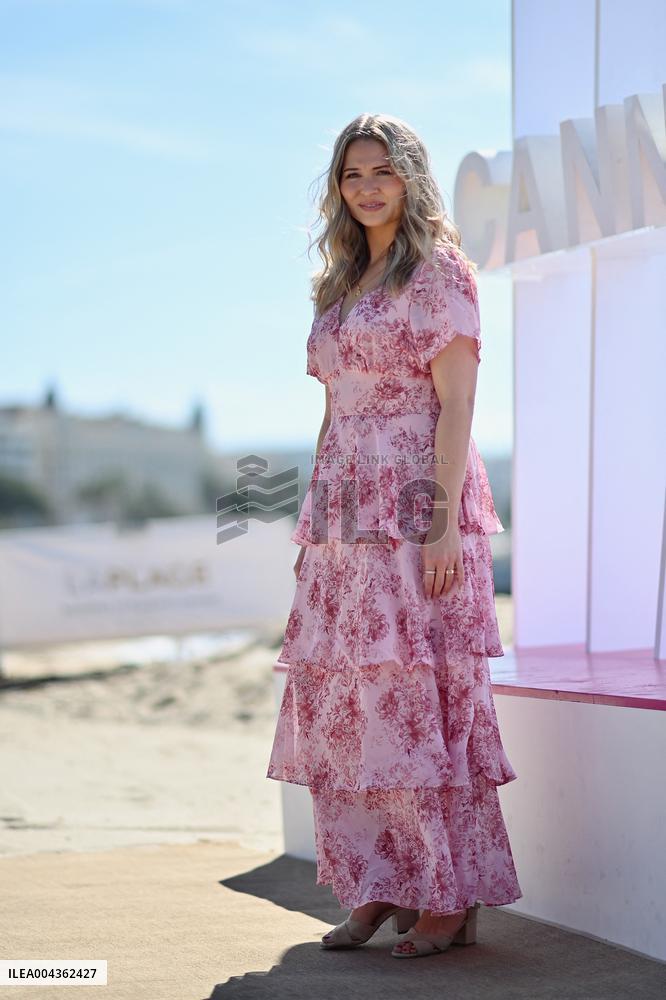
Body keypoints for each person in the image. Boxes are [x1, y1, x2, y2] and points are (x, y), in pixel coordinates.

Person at [266, 113, 522, 959]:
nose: (367, 187)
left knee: (418, 702)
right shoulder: (339, 283)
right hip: (344, 513)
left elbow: (458, 403)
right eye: (351, 175)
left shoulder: (438, 272)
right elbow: (332, 413)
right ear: (339, 189)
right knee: (351, 704)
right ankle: (378, 884)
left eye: (382, 171)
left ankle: (444, 898)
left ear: (410, 177)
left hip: (417, 503)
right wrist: (314, 526)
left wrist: (442, 524)